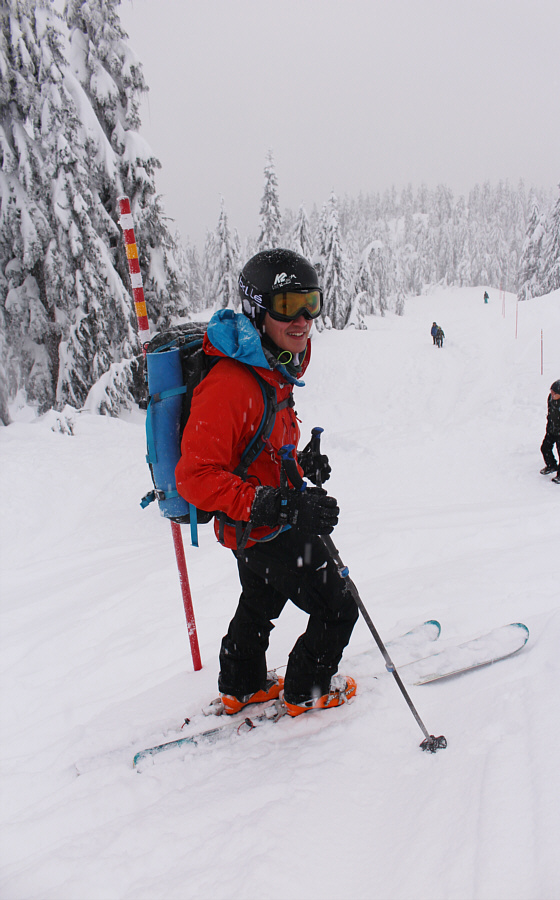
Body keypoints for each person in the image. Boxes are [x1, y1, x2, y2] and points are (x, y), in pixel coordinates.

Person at [175, 249, 359, 717]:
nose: (302, 319)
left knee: (261, 598)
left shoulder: (271, 367)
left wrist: (299, 464)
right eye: (286, 306)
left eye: (310, 303)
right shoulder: (233, 382)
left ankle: (243, 684)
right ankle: (307, 689)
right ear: (258, 309)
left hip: (255, 528)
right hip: (264, 526)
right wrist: (284, 508)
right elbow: (195, 478)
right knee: (338, 606)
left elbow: (256, 449)